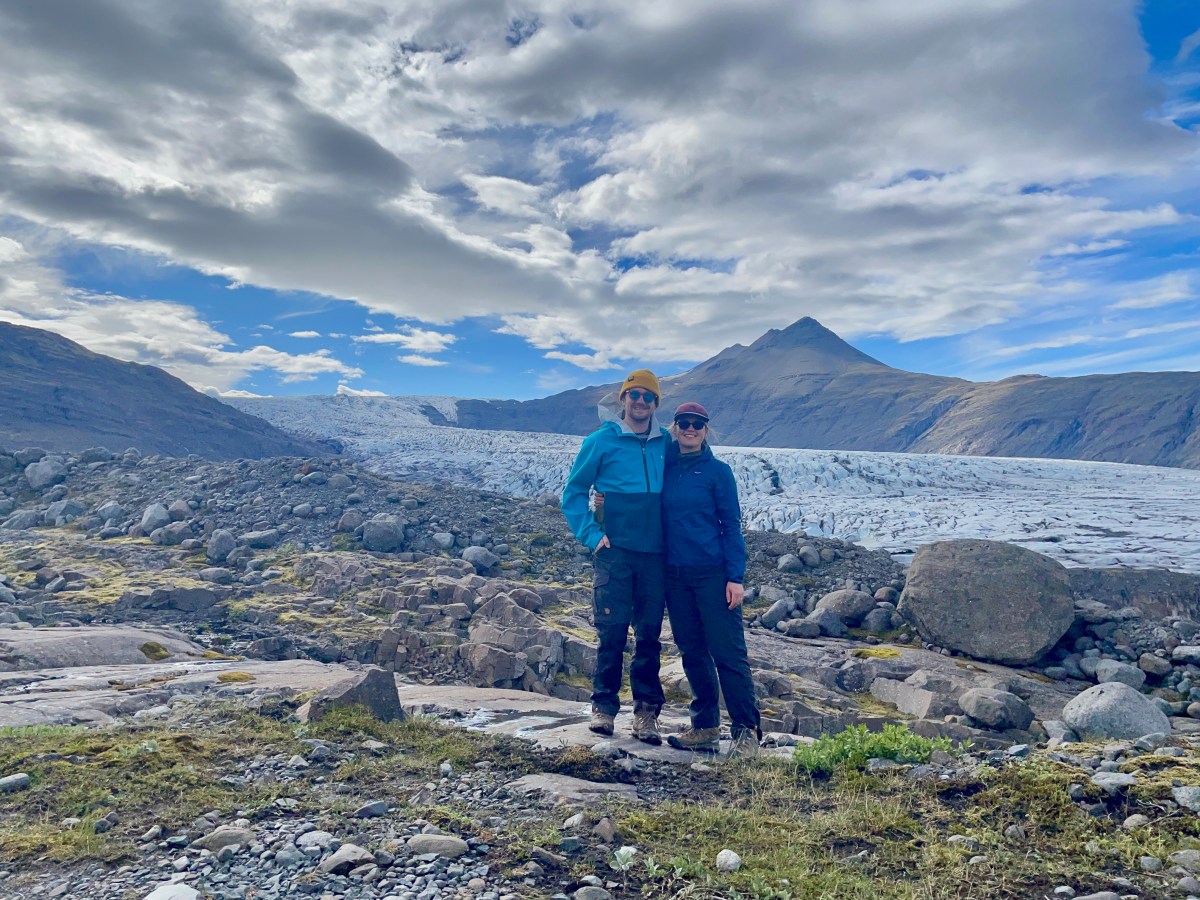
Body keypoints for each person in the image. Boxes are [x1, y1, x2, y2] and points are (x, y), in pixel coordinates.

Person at [561, 369, 671, 744]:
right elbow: (574, 492)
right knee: (611, 632)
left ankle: (645, 714)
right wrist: (591, 534)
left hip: (655, 555)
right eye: (634, 395)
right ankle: (604, 709)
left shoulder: (667, 443)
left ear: (656, 403)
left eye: (647, 397)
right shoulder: (601, 441)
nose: (640, 402)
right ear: (622, 399)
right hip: (615, 553)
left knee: (650, 636)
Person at [661, 401, 760, 756]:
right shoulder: (665, 466)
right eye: (684, 423)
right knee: (692, 652)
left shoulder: (718, 472)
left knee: (728, 652)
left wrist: (735, 576)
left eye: (697, 424)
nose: (690, 429)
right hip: (675, 576)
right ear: (674, 427)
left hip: (712, 575)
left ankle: (746, 731)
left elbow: (731, 525)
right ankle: (704, 726)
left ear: (706, 430)